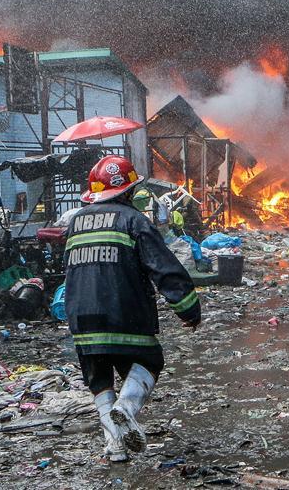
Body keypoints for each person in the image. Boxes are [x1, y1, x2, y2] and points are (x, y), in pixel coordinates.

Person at [64, 155, 201, 462]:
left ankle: (115, 448)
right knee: (150, 359)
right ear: (127, 191)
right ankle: (124, 410)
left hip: (81, 320)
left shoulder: (75, 223)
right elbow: (164, 269)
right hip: (124, 313)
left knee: (99, 378)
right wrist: (189, 310)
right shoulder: (135, 221)